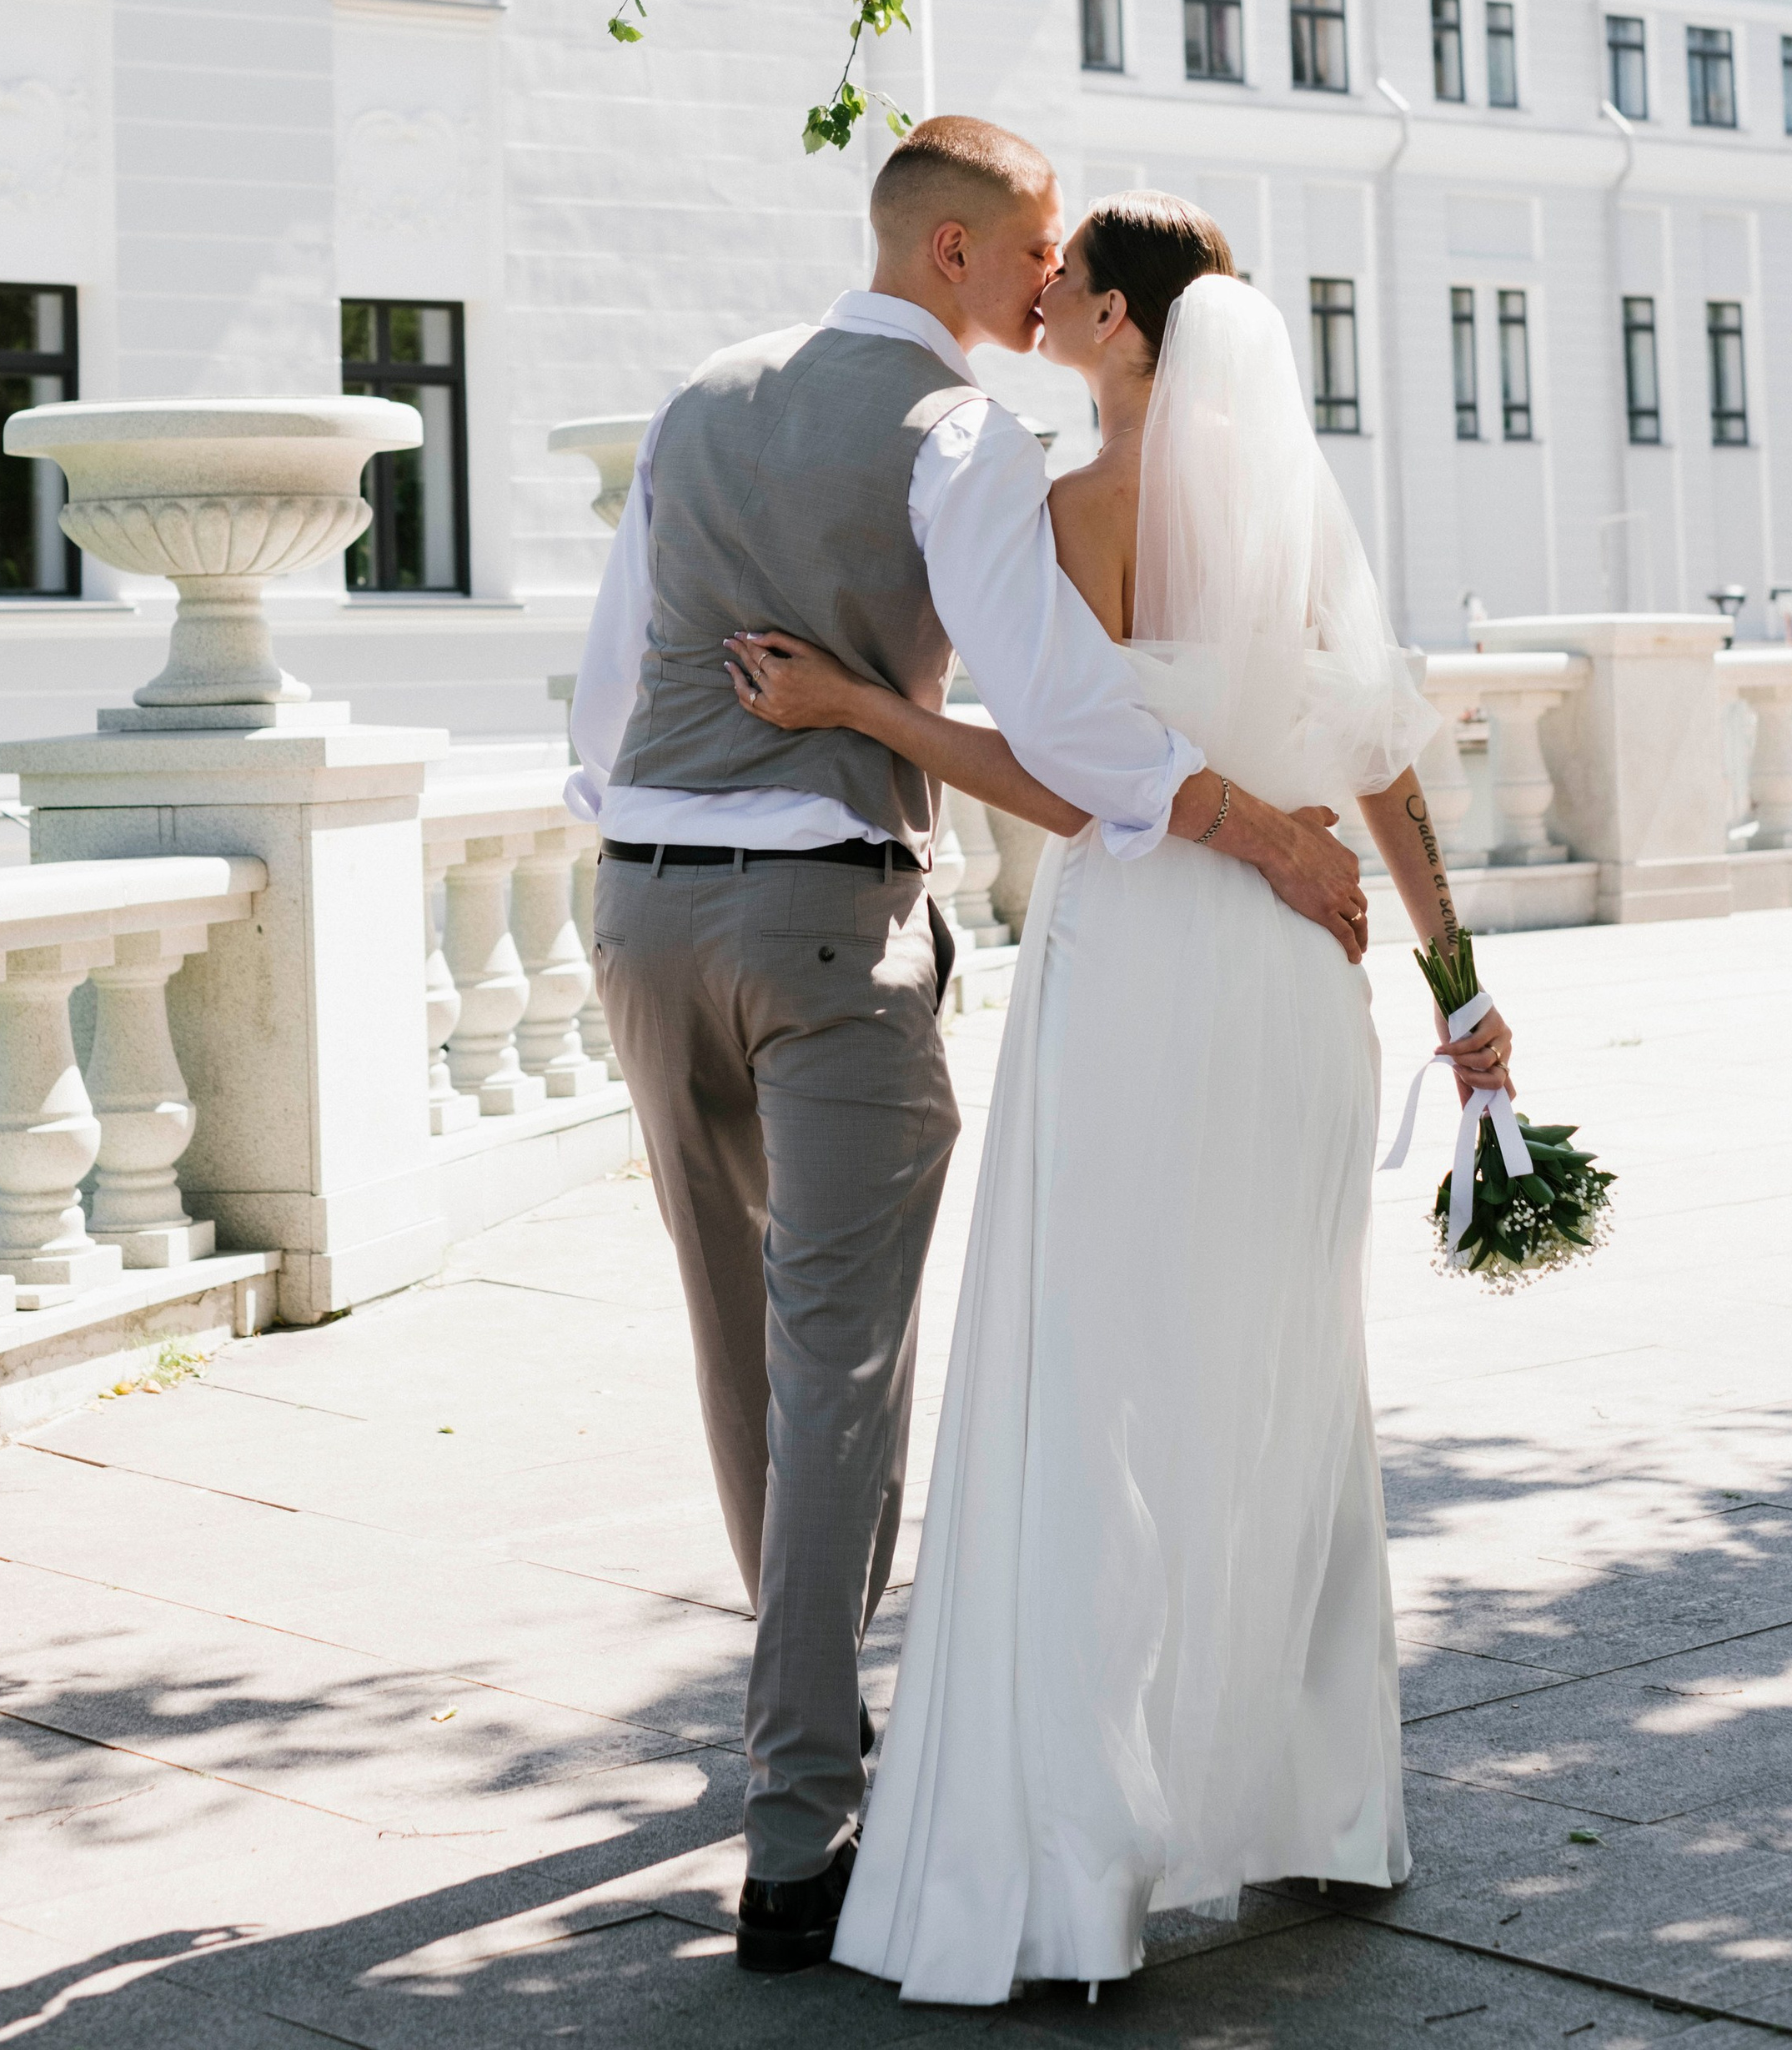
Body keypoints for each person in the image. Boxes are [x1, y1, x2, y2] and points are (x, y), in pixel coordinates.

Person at [566, 125, 1394, 1977]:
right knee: (836, 1365)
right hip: (820, 924)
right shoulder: (957, 438)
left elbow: (610, 685)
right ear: (948, 253)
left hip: (641, 912)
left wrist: (653, 836)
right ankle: (796, 1826)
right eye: (1026, 254)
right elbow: (1066, 703)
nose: (1045, 288)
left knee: (739, 1343)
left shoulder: (696, 398)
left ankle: (815, 1715)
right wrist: (1256, 831)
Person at [723, 193, 1513, 2006]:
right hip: (1297, 990)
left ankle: (1079, 1875)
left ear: (1125, 327)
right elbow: (1386, 786)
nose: (1049, 298)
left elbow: (1061, 774)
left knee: (1092, 1388)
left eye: (1074, 283)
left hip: (1148, 965)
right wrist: (1458, 991)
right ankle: (1318, 1805)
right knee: (1286, 1376)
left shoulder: (1054, 508)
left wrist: (854, 700)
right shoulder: (1296, 517)